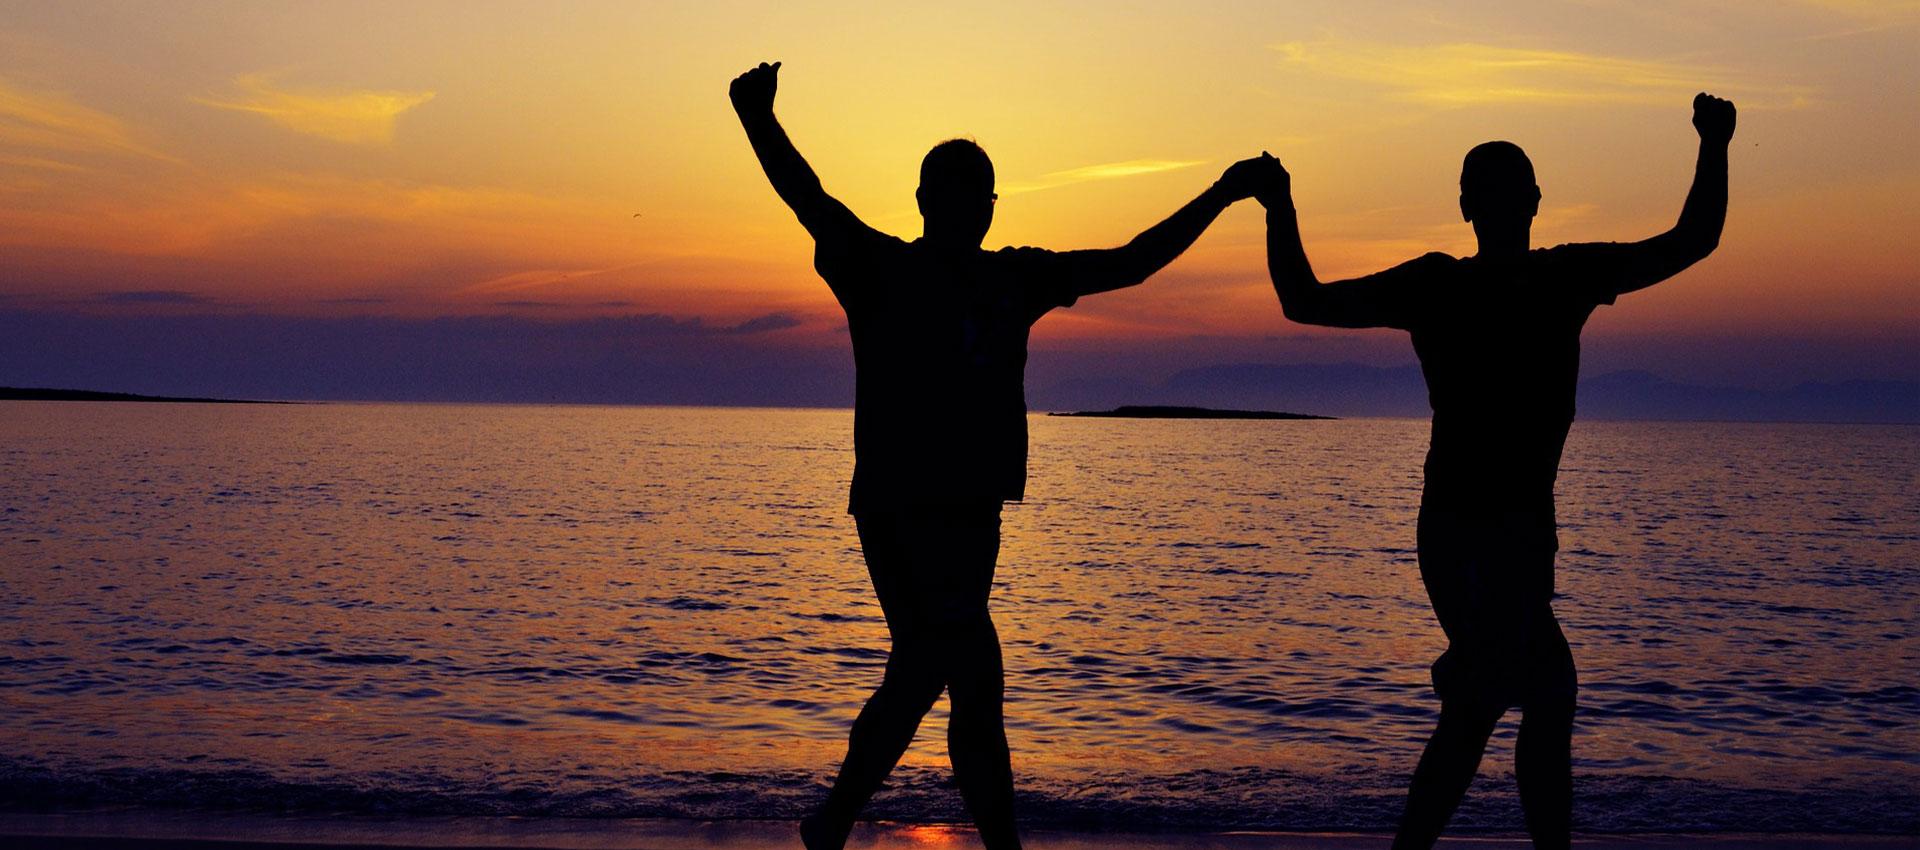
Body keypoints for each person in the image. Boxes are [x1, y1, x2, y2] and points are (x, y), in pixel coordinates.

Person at [729, 61, 1270, 850]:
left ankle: (841, 822)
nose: (964, 211)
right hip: (898, 507)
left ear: (988, 207)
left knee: (934, 671)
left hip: (971, 510)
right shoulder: (882, 268)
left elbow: (1131, 261)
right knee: (955, 670)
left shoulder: (1013, 276)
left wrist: (1221, 194)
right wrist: (757, 119)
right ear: (925, 202)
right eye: (951, 196)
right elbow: (807, 197)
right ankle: (931, 836)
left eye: (976, 198)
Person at [1253, 93, 1736, 850]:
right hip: (1462, 532)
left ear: (1523, 203)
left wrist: (1715, 144)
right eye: (1498, 194)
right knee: (1543, 689)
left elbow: (1693, 240)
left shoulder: (1554, 278)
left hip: (1512, 532)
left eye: (1513, 193)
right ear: (1477, 206)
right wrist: (1278, 205)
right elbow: (1303, 302)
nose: (1508, 206)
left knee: (1483, 703)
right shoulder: (1461, 284)